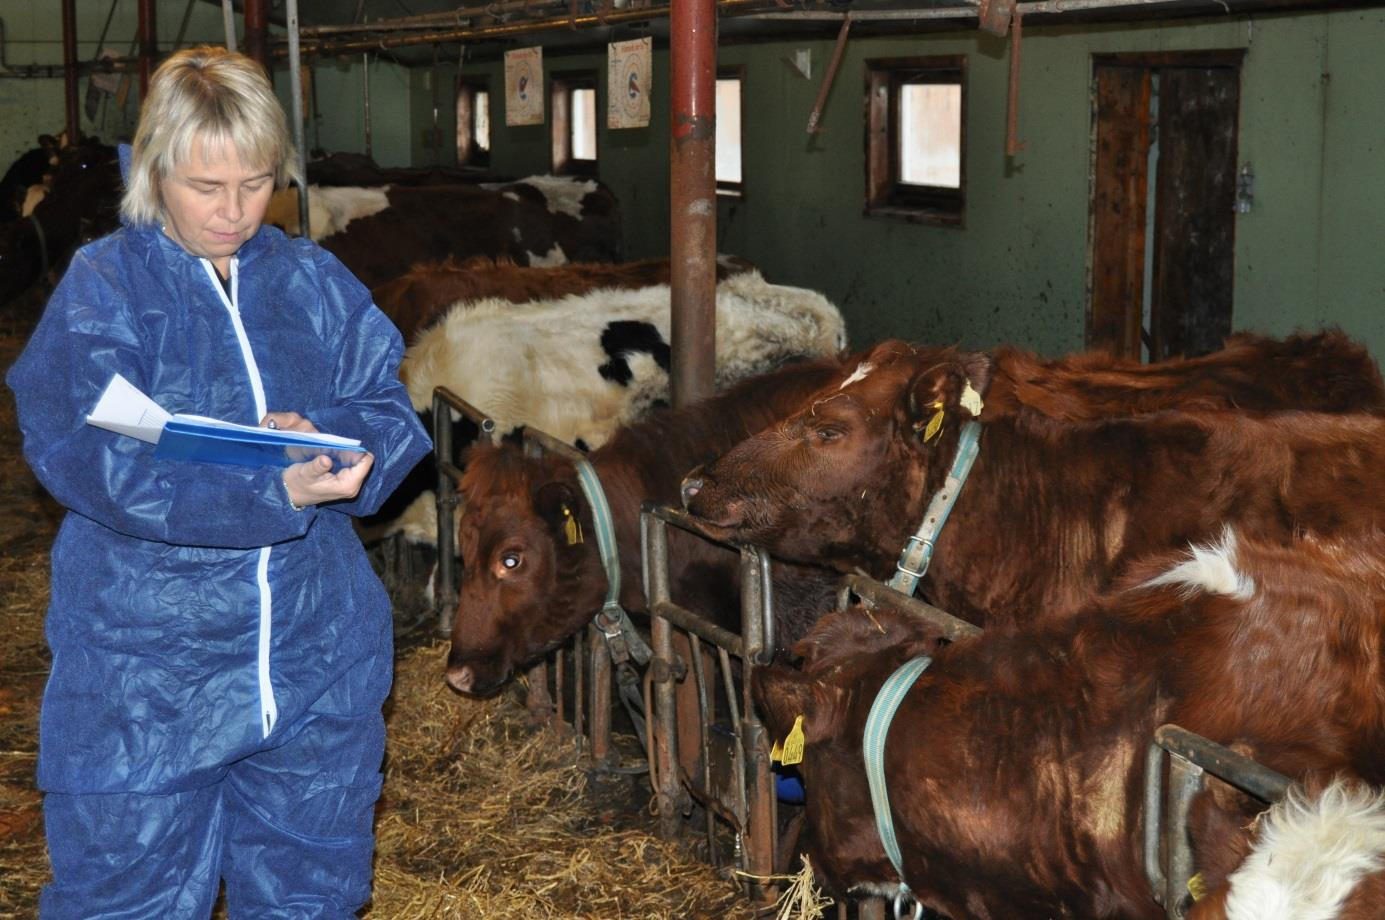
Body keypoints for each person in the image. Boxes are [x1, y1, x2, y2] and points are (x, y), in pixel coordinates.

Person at [6, 47, 431, 918]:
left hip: (315, 658)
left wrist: (348, 452)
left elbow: (388, 408)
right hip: (149, 672)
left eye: (255, 183)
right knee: (129, 897)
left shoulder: (310, 278)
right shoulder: (106, 290)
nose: (234, 211)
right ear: (156, 170)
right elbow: (90, 454)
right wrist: (266, 494)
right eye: (207, 186)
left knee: (311, 892)